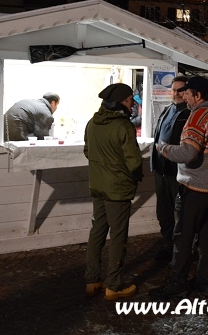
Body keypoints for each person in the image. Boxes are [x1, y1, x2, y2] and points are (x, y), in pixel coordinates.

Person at [150, 76, 208, 299]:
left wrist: (163, 148)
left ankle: (177, 281)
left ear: (198, 95)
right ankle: (205, 281)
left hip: (196, 185)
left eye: (187, 93)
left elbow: (188, 153)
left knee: (183, 234)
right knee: (205, 233)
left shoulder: (198, 116)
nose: (183, 96)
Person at [84, 83, 142, 301]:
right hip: (118, 190)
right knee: (118, 236)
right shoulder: (123, 126)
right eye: (129, 101)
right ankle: (114, 285)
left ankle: (92, 280)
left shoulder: (93, 123)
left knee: (97, 232)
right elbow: (134, 162)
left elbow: (87, 151)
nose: (132, 105)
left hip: (97, 186)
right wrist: (133, 175)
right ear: (119, 103)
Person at [150, 76, 190, 262]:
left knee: (181, 212)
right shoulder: (167, 111)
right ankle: (168, 244)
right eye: (173, 90)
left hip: (177, 171)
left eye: (180, 90)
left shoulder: (189, 114)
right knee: (163, 211)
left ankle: (182, 249)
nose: (176, 94)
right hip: (161, 170)